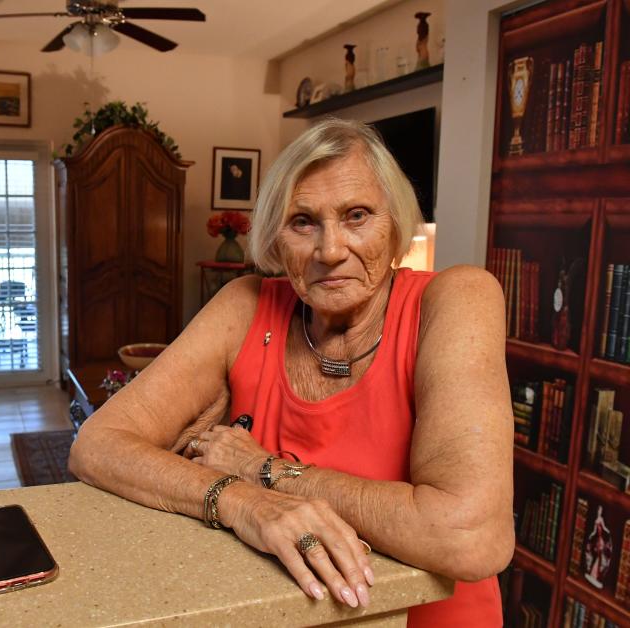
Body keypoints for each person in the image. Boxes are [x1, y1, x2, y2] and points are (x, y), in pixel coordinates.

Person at [68, 117, 514, 625]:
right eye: (303, 221)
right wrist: (240, 502)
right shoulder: (246, 304)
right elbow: (97, 445)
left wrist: (266, 471)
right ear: (275, 240)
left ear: (394, 226)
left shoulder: (456, 299)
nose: (329, 250)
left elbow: (469, 537)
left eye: (357, 215)